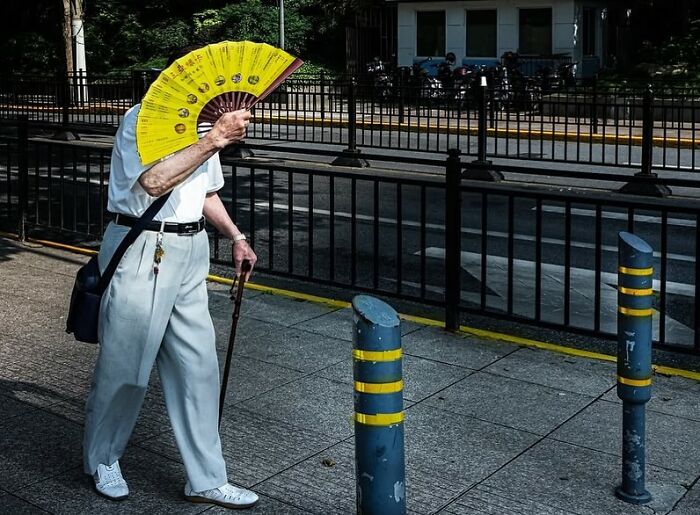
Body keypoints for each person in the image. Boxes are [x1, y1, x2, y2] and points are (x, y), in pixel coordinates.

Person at [83, 54, 259, 510]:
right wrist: (215, 139)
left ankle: (206, 477)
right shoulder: (140, 122)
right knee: (127, 366)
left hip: (189, 250)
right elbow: (154, 181)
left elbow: (206, 192)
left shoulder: (203, 128)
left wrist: (236, 236)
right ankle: (102, 459)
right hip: (143, 247)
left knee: (198, 367)